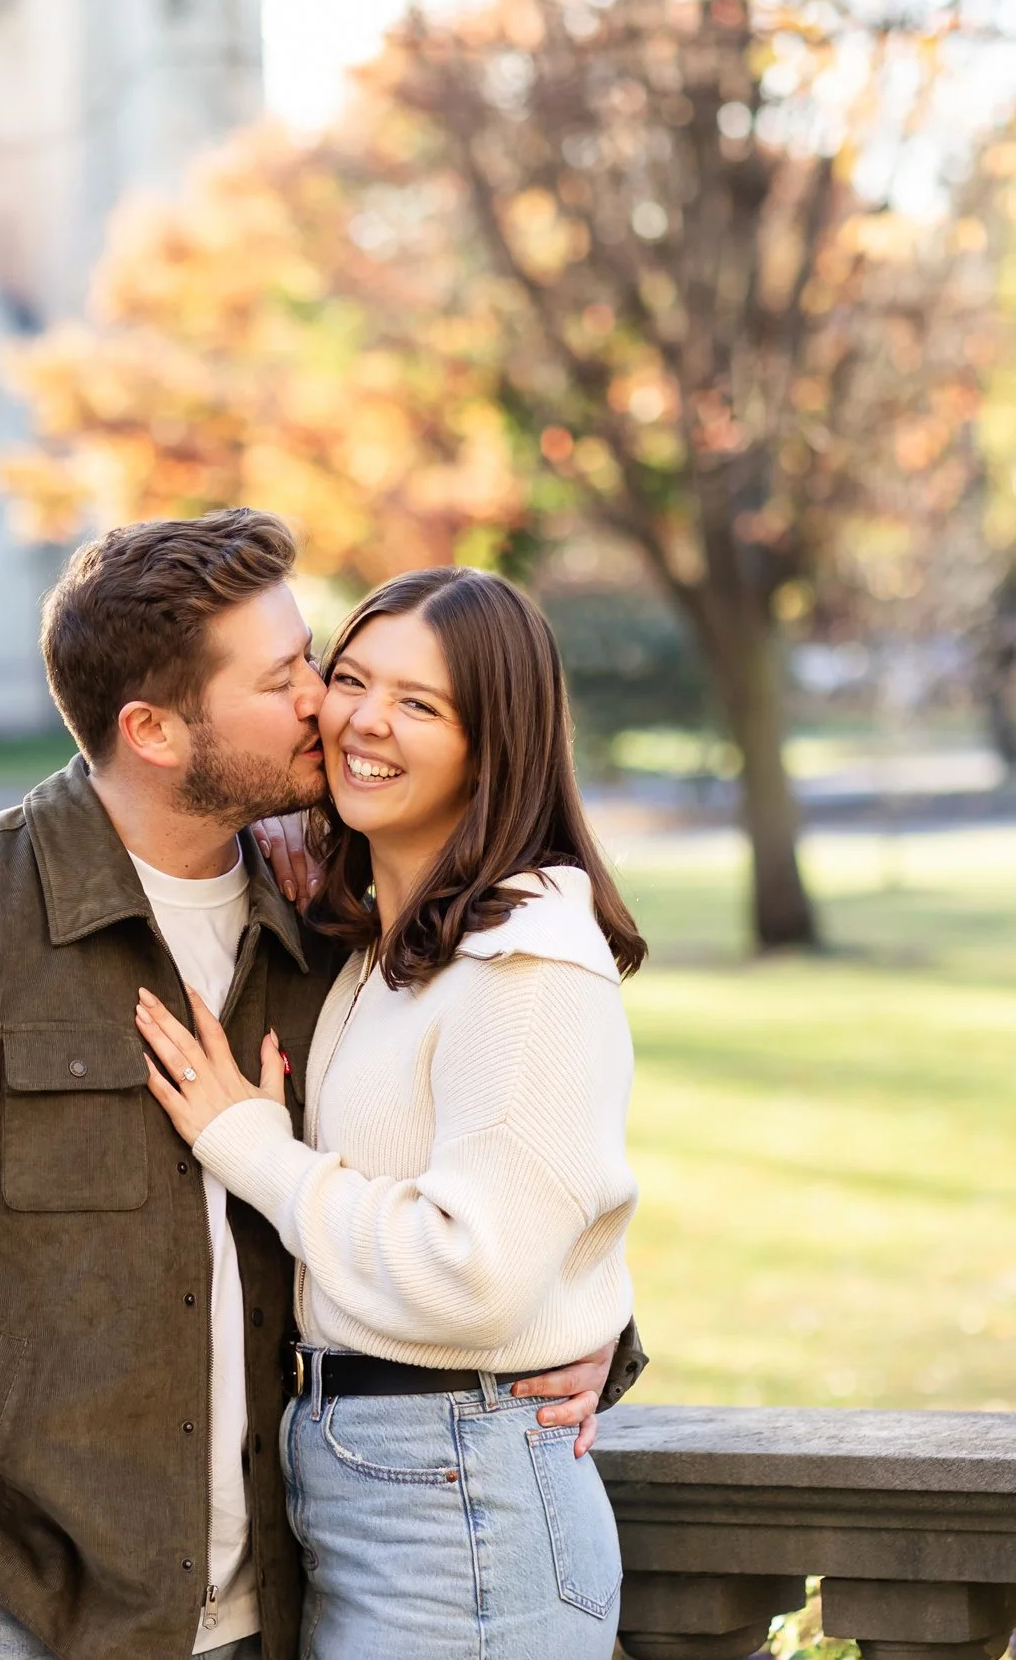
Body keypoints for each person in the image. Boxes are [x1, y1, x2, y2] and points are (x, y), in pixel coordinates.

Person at [0, 512, 637, 1660]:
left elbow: (489, 1171)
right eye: (287, 678)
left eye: (312, 658)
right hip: (2, 1610)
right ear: (152, 729)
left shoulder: (320, 933)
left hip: (276, 1609)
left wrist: (581, 1331)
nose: (324, 703)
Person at [137, 566, 646, 1660]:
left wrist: (256, 1152)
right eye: (351, 677)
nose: (365, 719)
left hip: (458, 1505)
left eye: (419, 703)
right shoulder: (391, 947)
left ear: (493, 744)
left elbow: (477, 1270)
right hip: (391, 1484)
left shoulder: (527, 962)